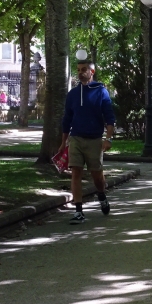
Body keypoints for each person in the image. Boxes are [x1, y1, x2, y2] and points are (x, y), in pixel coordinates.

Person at [59, 59, 116, 224]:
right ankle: (78, 211)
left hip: (95, 140)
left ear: (92, 72)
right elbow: (67, 119)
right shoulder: (72, 95)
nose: (80, 72)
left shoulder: (101, 91)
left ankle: (102, 194)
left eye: (84, 69)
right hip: (76, 138)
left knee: (97, 176)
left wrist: (108, 138)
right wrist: (63, 142)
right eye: (78, 69)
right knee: (75, 172)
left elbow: (109, 117)